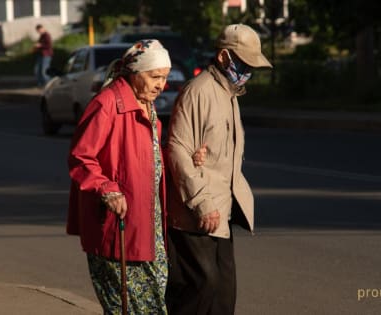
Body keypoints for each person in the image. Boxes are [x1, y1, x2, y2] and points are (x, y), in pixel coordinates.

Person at [67, 39, 204, 315]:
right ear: (134, 72)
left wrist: (184, 159)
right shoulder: (107, 104)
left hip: (149, 226)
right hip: (116, 227)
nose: (161, 85)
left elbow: (147, 158)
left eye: (165, 78)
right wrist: (106, 188)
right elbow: (81, 157)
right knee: (132, 309)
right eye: (155, 77)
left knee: (151, 303)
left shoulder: (148, 107)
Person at [165, 24, 272, 315]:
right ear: (224, 57)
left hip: (220, 212)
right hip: (194, 214)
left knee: (224, 295)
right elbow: (177, 149)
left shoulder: (229, 93)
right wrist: (202, 203)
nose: (248, 70)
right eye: (244, 63)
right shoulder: (198, 92)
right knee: (201, 289)